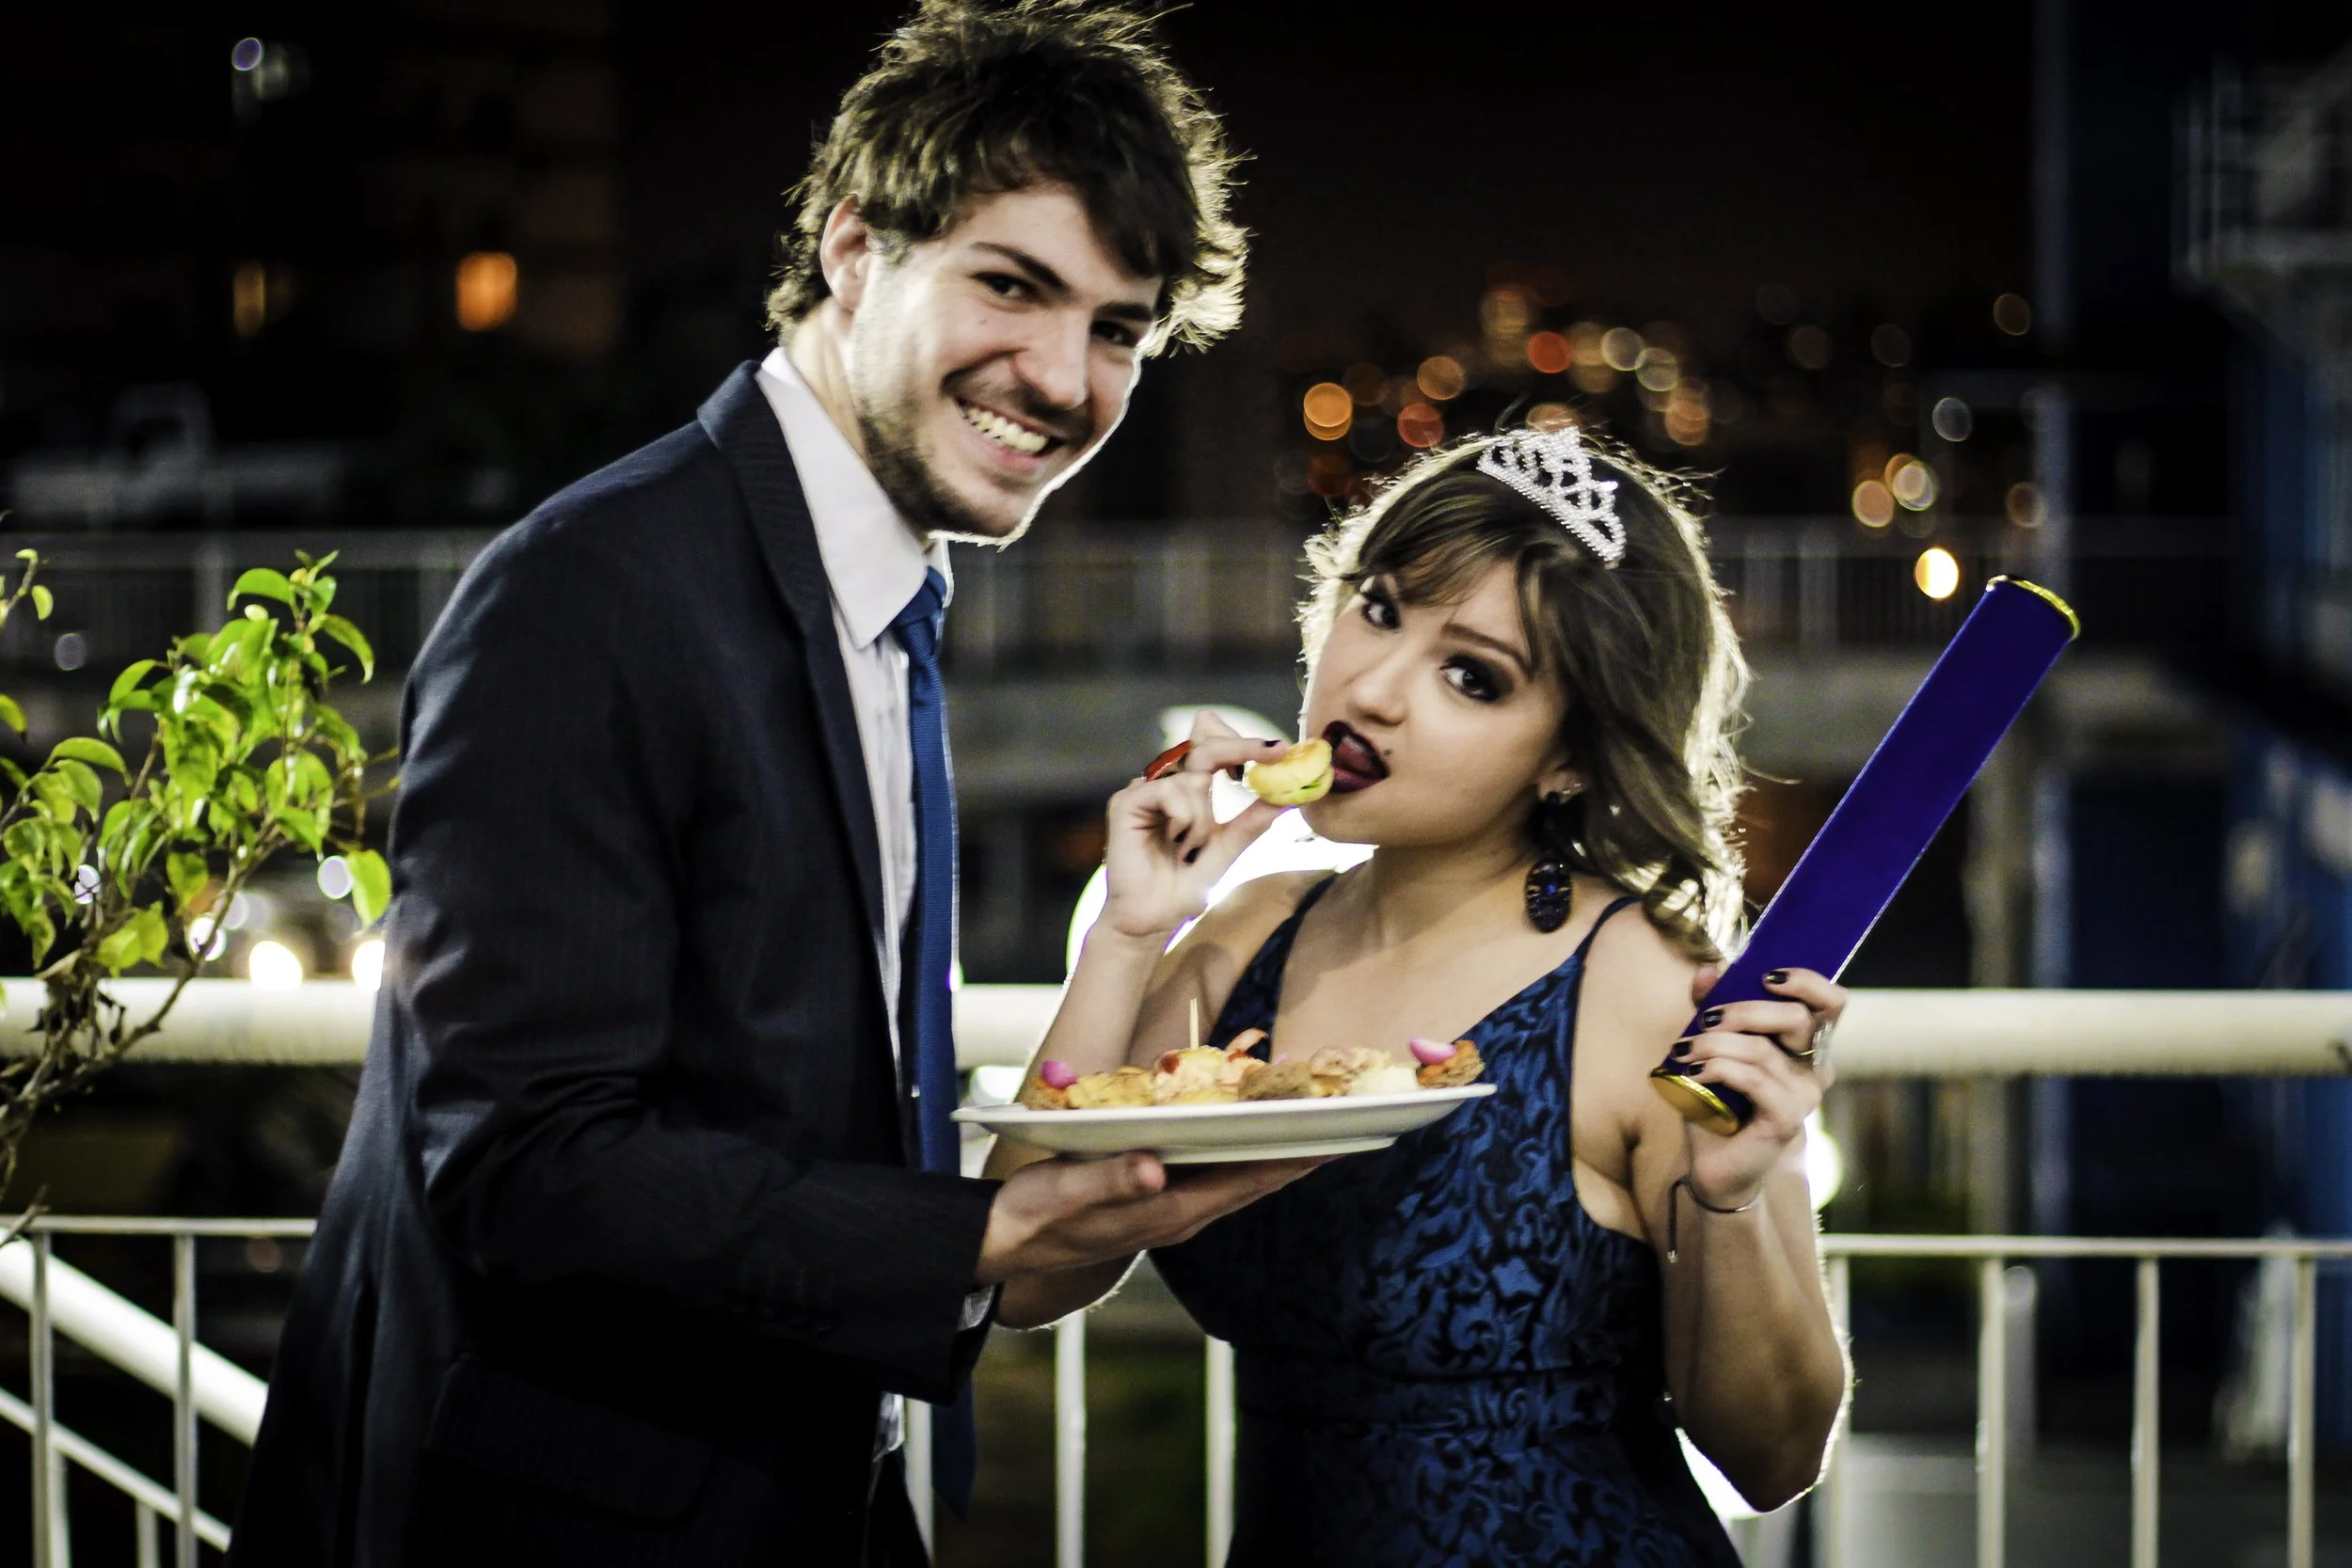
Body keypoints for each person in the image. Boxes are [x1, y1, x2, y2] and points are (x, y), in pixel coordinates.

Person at [227, 6, 1325, 1565]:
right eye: (1010, 287)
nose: (1065, 376)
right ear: (855, 249)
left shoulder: (883, 592)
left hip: (817, 1491)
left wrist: (1127, 940)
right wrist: (972, 1236)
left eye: (1119, 328)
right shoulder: (591, 588)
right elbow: (526, 1162)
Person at [988, 425, 1851, 1565]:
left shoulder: (1644, 982)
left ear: (1570, 757)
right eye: (1381, 606)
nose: (1373, 690)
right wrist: (1127, 930)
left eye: (1471, 676)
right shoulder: (1249, 933)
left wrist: (1737, 1198)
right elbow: (1029, 1276)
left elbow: (1773, 1458)